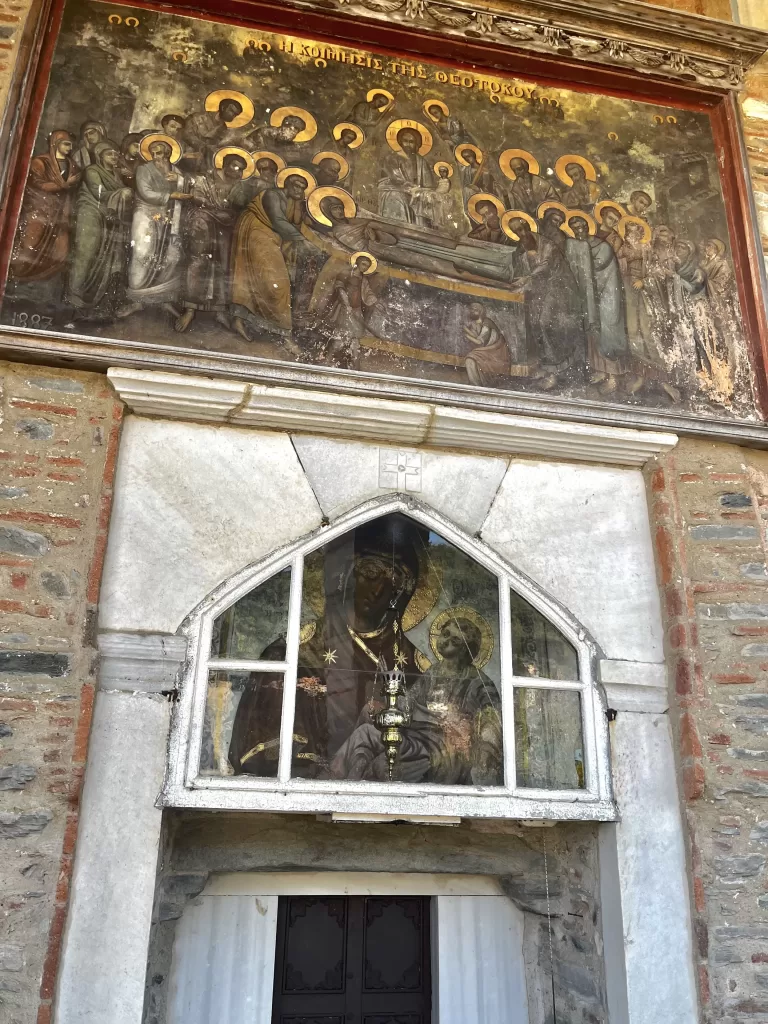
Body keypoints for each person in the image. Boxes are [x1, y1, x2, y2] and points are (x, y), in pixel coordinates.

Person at [229, 514, 429, 776]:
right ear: (345, 576)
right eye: (370, 573)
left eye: (393, 580)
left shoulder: (415, 665)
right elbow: (263, 749)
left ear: (402, 593)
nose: (378, 589)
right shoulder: (293, 652)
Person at [331, 612, 502, 785]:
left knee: (381, 766)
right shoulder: (433, 672)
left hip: (440, 748)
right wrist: (389, 695)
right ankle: (346, 780)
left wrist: (485, 750)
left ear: (466, 650)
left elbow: (492, 719)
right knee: (364, 732)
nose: (446, 641)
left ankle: (356, 781)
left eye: (455, 641)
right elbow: (407, 705)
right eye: (445, 634)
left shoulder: (477, 681)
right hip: (415, 737)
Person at [230, 171, 320, 344]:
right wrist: (303, 241)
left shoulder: (295, 202)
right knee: (278, 283)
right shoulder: (273, 194)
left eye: (303, 188)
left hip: (271, 236)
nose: (299, 190)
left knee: (255, 278)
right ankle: (284, 335)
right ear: (286, 184)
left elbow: (297, 223)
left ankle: (239, 320)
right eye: (296, 186)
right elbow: (278, 220)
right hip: (255, 230)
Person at [508, 208, 585, 389]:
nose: (521, 233)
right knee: (534, 323)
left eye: (522, 228)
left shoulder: (547, 245)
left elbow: (546, 265)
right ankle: (544, 366)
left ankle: (555, 372)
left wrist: (528, 278)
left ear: (528, 226)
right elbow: (518, 266)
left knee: (546, 323)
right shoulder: (521, 247)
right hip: (538, 289)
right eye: (517, 231)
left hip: (559, 288)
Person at [175, 152, 250, 333]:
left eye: (241, 169)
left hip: (226, 225)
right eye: (235, 166)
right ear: (224, 164)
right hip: (203, 221)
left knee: (223, 265)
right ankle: (190, 309)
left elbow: (240, 205)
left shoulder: (239, 186)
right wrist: (215, 209)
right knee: (198, 261)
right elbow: (197, 197)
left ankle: (219, 310)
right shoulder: (205, 179)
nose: (238, 171)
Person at [119, 139, 192, 319]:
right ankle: (136, 300)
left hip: (170, 216)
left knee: (170, 254)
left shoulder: (176, 171)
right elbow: (145, 192)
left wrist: (180, 180)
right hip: (145, 212)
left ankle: (163, 299)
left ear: (168, 153)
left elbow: (188, 187)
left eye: (161, 153)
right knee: (142, 252)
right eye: (154, 153)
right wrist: (171, 194)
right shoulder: (144, 169)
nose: (157, 157)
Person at [66, 141, 132, 319]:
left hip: (109, 215)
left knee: (109, 258)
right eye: (109, 154)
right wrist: (124, 192)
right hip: (90, 210)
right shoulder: (92, 170)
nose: (114, 156)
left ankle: (96, 303)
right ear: (101, 155)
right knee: (86, 252)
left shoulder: (118, 174)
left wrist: (129, 180)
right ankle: (74, 299)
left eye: (116, 154)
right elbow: (98, 193)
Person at [11, 130, 81, 282]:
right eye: (66, 144)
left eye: (71, 144)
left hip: (61, 211)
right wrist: (64, 184)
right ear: (56, 144)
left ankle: (43, 281)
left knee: (61, 249)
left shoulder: (72, 166)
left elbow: (73, 188)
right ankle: (17, 275)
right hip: (40, 208)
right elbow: (37, 184)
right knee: (31, 243)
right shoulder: (40, 162)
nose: (70, 147)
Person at [617, 219, 668, 395]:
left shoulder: (647, 249)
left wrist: (644, 282)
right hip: (628, 292)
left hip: (646, 294)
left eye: (635, 232)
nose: (631, 235)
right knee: (632, 332)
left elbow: (659, 272)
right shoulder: (622, 250)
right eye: (628, 231)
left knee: (648, 332)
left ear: (640, 233)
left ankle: (662, 377)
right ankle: (640, 375)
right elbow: (617, 270)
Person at [581, 216, 629, 394]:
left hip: (608, 293)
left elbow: (597, 266)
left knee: (609, 332)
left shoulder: (606, 245)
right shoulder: (590, 242)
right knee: (594, 329)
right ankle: (601, 370)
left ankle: (614, 377)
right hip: (594, 294)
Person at [313, 252, 384, 368]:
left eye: (367, 266)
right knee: (340, 337)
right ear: (357, 262)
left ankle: (356, 365)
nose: (364, 267)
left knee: (355, 339)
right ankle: (328, 359)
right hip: (345, 310)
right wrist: (347, 304)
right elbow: (339, 289)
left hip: (356, 311)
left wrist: (376, 302)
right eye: (363, 264)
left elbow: (368, 293)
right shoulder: (346, 273)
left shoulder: (363, 279)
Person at [378, 127, 435, 227]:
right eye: (405, 141)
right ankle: (400, 227)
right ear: (400, 142)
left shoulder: (421, 161)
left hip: (415, 191)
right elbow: (394, 178)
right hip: (395, 189)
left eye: (411, 142)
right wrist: (409, 188)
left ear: (417, 144)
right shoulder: (392, 157)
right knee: (396, 196)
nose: (408, 144)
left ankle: (422, 230)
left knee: (428, 198)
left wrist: (421, 191)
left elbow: (428, 184)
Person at [463, 302, 510, 386]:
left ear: (481, 312)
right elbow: (477, 336)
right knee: (471, 358)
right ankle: (476, 385)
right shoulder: (475, 324)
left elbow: (479, 341)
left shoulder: (487, 323)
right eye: (471, 309)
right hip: (486, 351)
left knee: (470, 358)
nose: (472, 311)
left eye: (475, 310)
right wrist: (466, 330)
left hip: (495, 352)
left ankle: (476, 385)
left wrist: (467, 334)